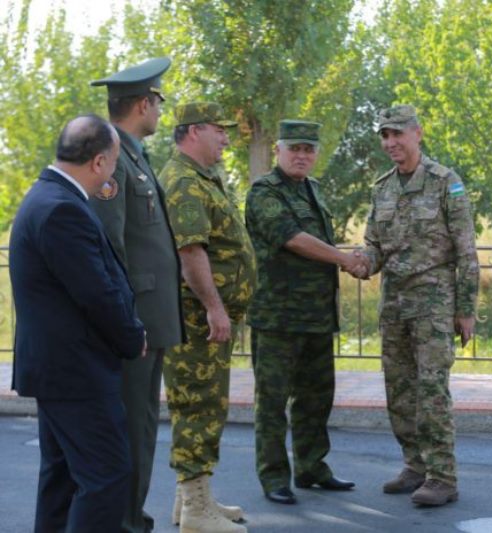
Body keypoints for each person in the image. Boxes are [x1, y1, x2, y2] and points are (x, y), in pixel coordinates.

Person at [10, 115, 147, 533]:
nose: (113, 172)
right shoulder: (61, 209)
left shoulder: (50, 197)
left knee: (63, 478)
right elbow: (97, 293)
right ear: (99, 162)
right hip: (76, 371)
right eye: (115, 163)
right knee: (107, 476)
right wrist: (132, 336)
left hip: (60, 370)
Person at [358, 104, 479, 506]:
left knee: (431, 392)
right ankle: (415, 466)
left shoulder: (446, 182)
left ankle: (443, 477)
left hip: (434, 305)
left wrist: (466, 309)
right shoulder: (382, 188)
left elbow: (466, 250)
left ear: (417, 133)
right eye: (385, 136)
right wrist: (361, 262)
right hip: (394, 304)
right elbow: (374, 245)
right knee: (399, 391)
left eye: (397, 134)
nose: (391, 143)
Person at [89, 56, 185, 533]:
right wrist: (126, 320)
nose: (161, 112)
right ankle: (122, 521)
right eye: (158, 102)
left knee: (143, 425)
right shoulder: (113, 159)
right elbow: (111, 247)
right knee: (131, 426)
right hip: (136, 320)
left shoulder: (134, 156)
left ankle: (132, 515)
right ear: (143, 104)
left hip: (150, 316)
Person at [245, 120, 362, 505]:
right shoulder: (264, 191)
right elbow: (293, 239)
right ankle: (274, 477)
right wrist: (344, 259)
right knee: (272, 402)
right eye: (294, 148)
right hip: (278, 317)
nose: (301, 155)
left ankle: (312, 467)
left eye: (308, 149)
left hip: (316, 316)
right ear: (278, 150)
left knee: (316, 398)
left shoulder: (314, 189)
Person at [159, 102, 256, 533]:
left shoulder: (200, 177)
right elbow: (190, 251)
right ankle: (197, 513)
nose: (226, 138)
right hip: (197, 319)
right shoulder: (183, 180)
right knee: (198, 406)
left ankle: (192, 502)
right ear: (195, 131)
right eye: (220, 130)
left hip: (203, 318)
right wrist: (215, 307)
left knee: (202, 405)